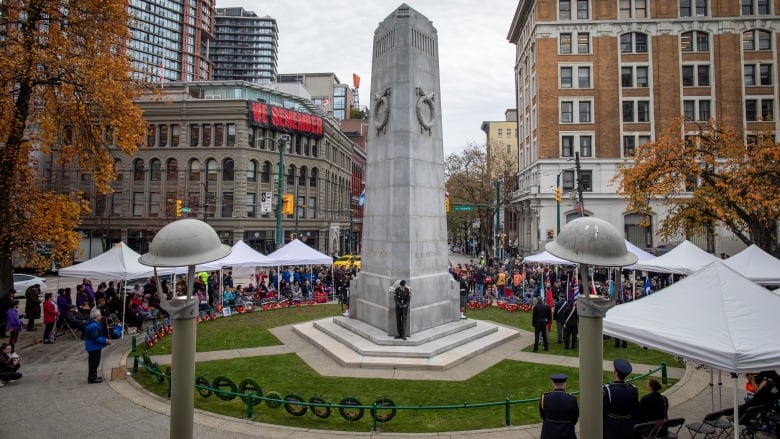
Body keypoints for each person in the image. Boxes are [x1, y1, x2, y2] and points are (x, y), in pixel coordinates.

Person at [603, 358, 638, 438]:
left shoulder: (608, 390)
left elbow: (603, 410)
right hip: (628, 425)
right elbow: (635, 409)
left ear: (615, 372)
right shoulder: (633, 389)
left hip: (611, 426)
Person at [539, 373, 579, 439]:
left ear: (552, 384)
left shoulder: (544, 397)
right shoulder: (572, 399)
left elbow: (543, 415)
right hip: (567, 433)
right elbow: (574, 419)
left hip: (548, 433)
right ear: (565, 384)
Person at [84, 308, 111, 384]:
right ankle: (92, 378)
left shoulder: (92, 323)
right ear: (96, 317)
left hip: (92, 346)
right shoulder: (94, 326)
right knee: (94, 362)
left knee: (94, 362)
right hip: (93, 347)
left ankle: (94, 376)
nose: (101, 317)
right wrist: (105, 340)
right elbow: (95, 337)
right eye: (99, 315)